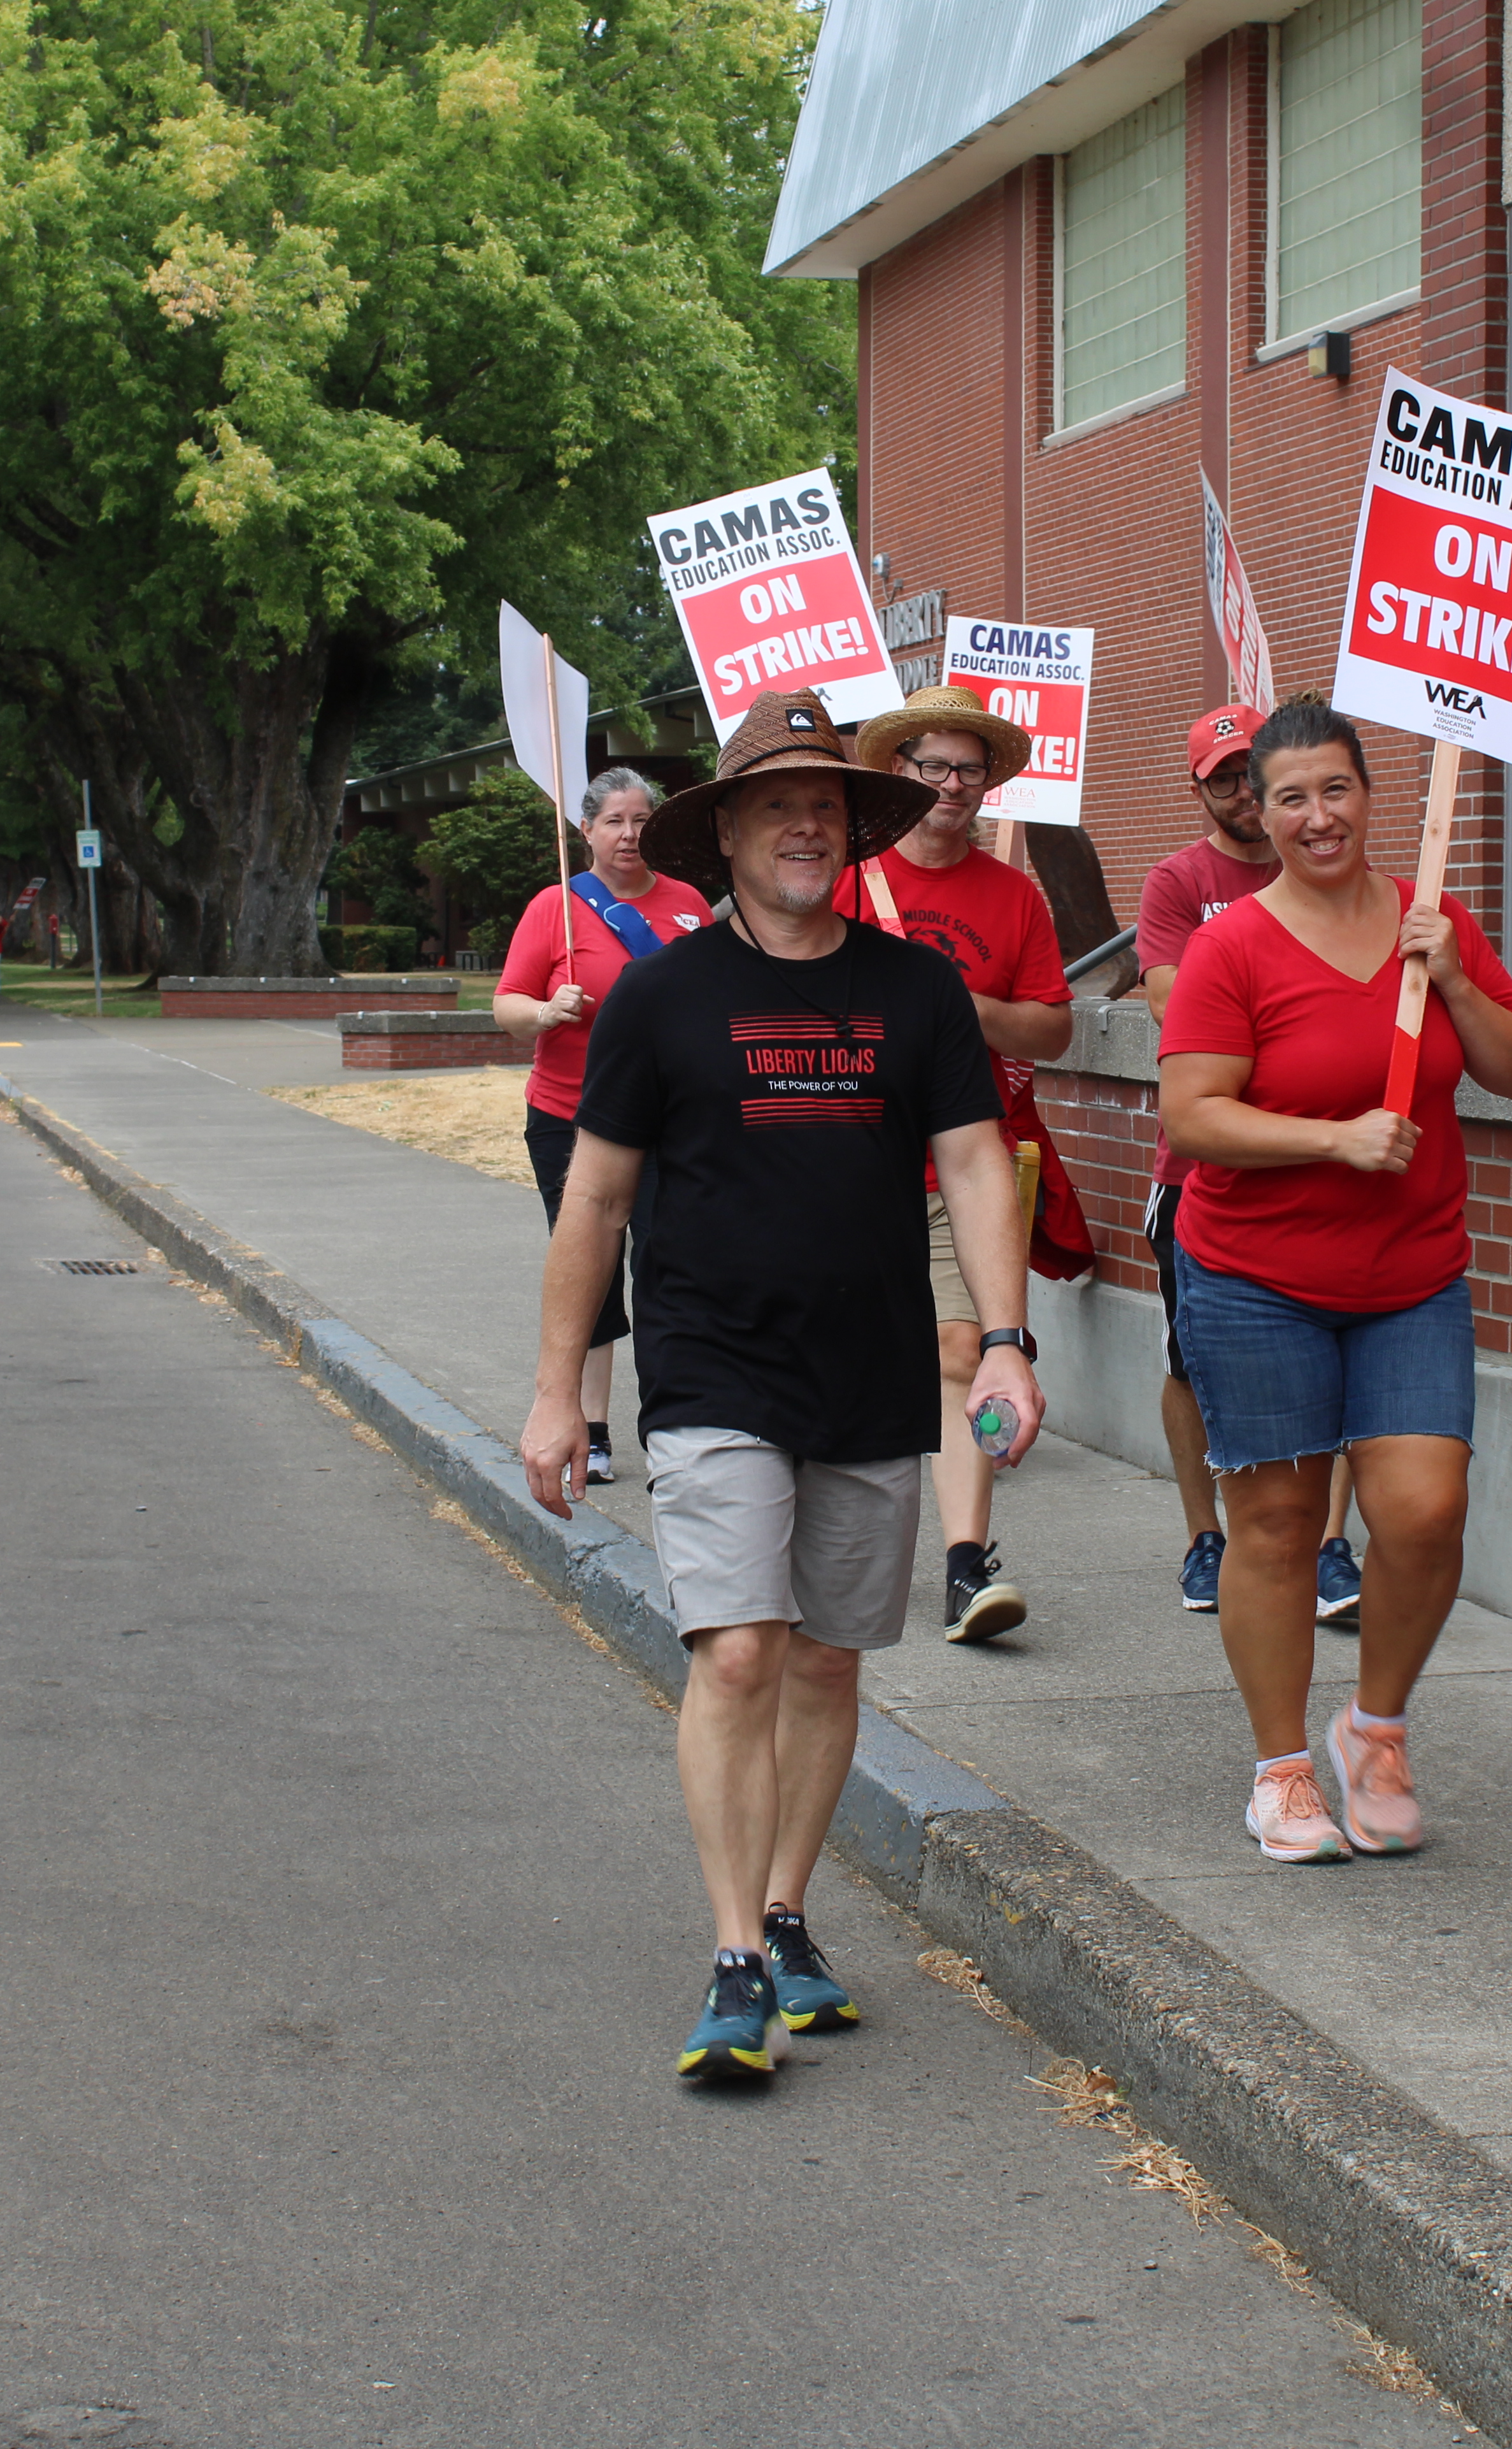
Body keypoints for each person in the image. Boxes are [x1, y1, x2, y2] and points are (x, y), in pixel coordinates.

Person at [522, 688, 1045, 2082]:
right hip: (710, 1363)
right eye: (777, 805)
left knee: (824, 1654)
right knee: (739, 1648)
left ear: (850, 829)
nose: (806, 824)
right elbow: (598, 1196)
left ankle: (792, 1908)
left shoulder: (915, 989)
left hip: (870, 1363)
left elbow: (979, 1160)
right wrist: (557, 1386)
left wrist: (1004, 1333)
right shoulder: (662, 993)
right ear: (734, 832)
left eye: (826, 803)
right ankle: (735, 1951)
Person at [1156, 701, 1512, 1863]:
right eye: (1291, 798)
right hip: (1253, 1278)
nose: (1317, 816)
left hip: (1411, 1275)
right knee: (1275, 1524)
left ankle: (1375, 1729)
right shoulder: (1233, 946)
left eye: (1336, 790)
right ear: (1260, 813)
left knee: (1426, 1509)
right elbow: (1191, 1113)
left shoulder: (1437, 922)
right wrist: (1333, 1140)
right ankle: (1281, 1772)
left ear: (1372, 796)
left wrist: (1457, 980)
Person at [838, 683, 1076, 1644]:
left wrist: (959, 1007)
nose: (949, 783)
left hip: (963, 1161)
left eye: (967, 769)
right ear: (899, 773)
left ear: (988, 784)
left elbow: (1054, 1027)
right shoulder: (849, 876)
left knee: (969, 1349)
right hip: (846, 1154)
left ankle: (967, 1562)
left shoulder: (1013, 897)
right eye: (930, 765)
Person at [1136, 704, 1366, 1626]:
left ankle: (1331, 1543)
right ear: (1203, 790)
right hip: (1203, 1179)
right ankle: (1206, 1536)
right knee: (1192, 1363)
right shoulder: (1179, 883)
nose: (1241, 791)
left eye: (1249, 772)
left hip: (1341, 1169)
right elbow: (1167, 1003)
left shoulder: (1333, 874)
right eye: (1226, 777)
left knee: (1349, 1358)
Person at [493, 767, 707, 1484]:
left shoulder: (687, 908)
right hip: (568, 1117)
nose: (630, 833)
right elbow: (507, 1003)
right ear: (587, 830)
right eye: (615, 820)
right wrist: (547, 1011)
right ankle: (590, 1427)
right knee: (588, 1268)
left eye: (643, 819)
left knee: (668, 1266)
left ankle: (675, 1423)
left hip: (667, 1121)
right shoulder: (554, 907)